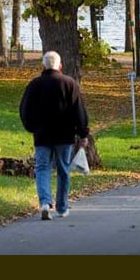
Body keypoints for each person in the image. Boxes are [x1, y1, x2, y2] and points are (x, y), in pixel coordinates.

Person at [19, 51, 90, 220]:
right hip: (64, 136)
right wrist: (82, 133)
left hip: (42, 135)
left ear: (43, 66)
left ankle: (45, 202)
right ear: (60, 66)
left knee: (42, 168)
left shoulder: (35, 85)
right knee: (63, 170)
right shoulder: (69, 84)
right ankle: (62, 207)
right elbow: (78, 110)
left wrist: (32, 127)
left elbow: (24, 109)